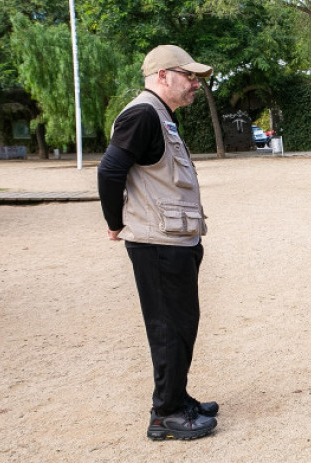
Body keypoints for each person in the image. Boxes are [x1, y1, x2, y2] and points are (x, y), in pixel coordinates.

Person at [97, 45, 218, 440]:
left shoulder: (159, 115)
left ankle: (177, 397)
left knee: (181, 324)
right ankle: (164, 413)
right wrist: (115, 222)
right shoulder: (143, 113)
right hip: (157, 243)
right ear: (163, 75)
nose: (195, 83)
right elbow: (111, 170)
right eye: (189, 75)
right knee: (168, 326)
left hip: (174, 240)